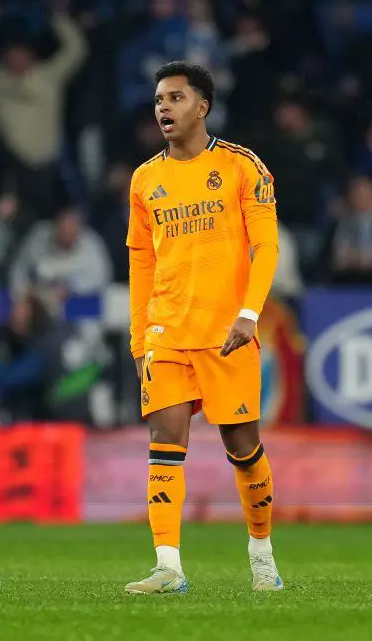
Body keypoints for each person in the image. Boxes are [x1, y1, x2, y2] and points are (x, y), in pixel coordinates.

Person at [125, 61, 283, 594]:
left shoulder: (242, 167)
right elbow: (141, 264)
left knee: (243, 447)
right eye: (158, 100)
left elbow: (267, 247)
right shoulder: (145, 179)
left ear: (202, 106)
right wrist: (139, 338)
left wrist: (249, 314)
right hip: (167, 331)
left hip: (227, 333)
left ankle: (261, 555)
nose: (163, 108)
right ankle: (168, 565)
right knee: (164, 440)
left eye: (174, 98)